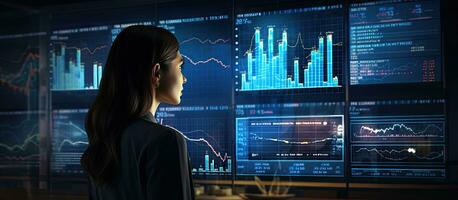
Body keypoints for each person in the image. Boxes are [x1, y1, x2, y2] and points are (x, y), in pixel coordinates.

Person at [80, 25, 193, 200]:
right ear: (157, 73)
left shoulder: (103, 140)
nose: (184, 78)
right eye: (179, 67)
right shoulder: (166, 141)